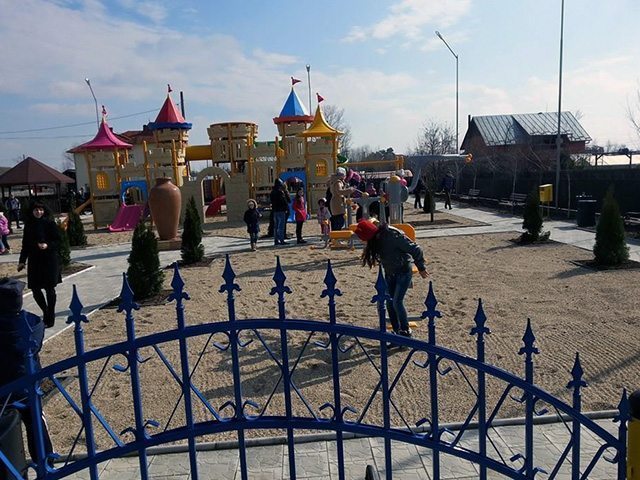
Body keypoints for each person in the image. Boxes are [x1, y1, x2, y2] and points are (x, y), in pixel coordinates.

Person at [0, 277, 54, 465]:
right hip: (28, 385)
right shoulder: (32, 322)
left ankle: (10, 468)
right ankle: (45, 464)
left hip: (4, 388)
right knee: (36, 425)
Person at [354, 220, 429, 338]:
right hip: (390, 273)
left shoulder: (391, 235)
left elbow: (416, 249)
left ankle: (405, 331)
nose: (361, 241)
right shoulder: (376, 240)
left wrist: (421, 267)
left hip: (403, 271)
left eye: (362, 239)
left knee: (397, 302)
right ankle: (396, 331)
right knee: (389, 302)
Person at [17, 201, 61, 328]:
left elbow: (58, 240)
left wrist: (47, 245)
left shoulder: (50, 223)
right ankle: (45, 311)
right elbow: (25, 245)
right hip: (35, 260)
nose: (38, 212)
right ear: (32, 211)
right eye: (36, 210)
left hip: (49, 260)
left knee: (49, 289)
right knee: (35, 289)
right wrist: (22, 261)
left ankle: (51, 315)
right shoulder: (29, 225)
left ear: (44, 211)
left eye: (41, 210)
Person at [327, 167, 355, 231]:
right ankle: (337, 235)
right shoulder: (338, 182)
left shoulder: (333, 180)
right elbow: (339, 191)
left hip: (335, 202)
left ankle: (335, 235)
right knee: (339, 221)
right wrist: (349, 190)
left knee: (336, 220)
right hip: (338, 203)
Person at [270, 179, 290, 246]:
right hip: (281, 210)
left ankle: (276, 240)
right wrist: (286, 208)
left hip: (275, 211)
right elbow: (285, 201)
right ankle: (281, 240)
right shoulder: (280, 192)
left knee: (276, 226)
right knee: (281, 226)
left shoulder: (272, 192)